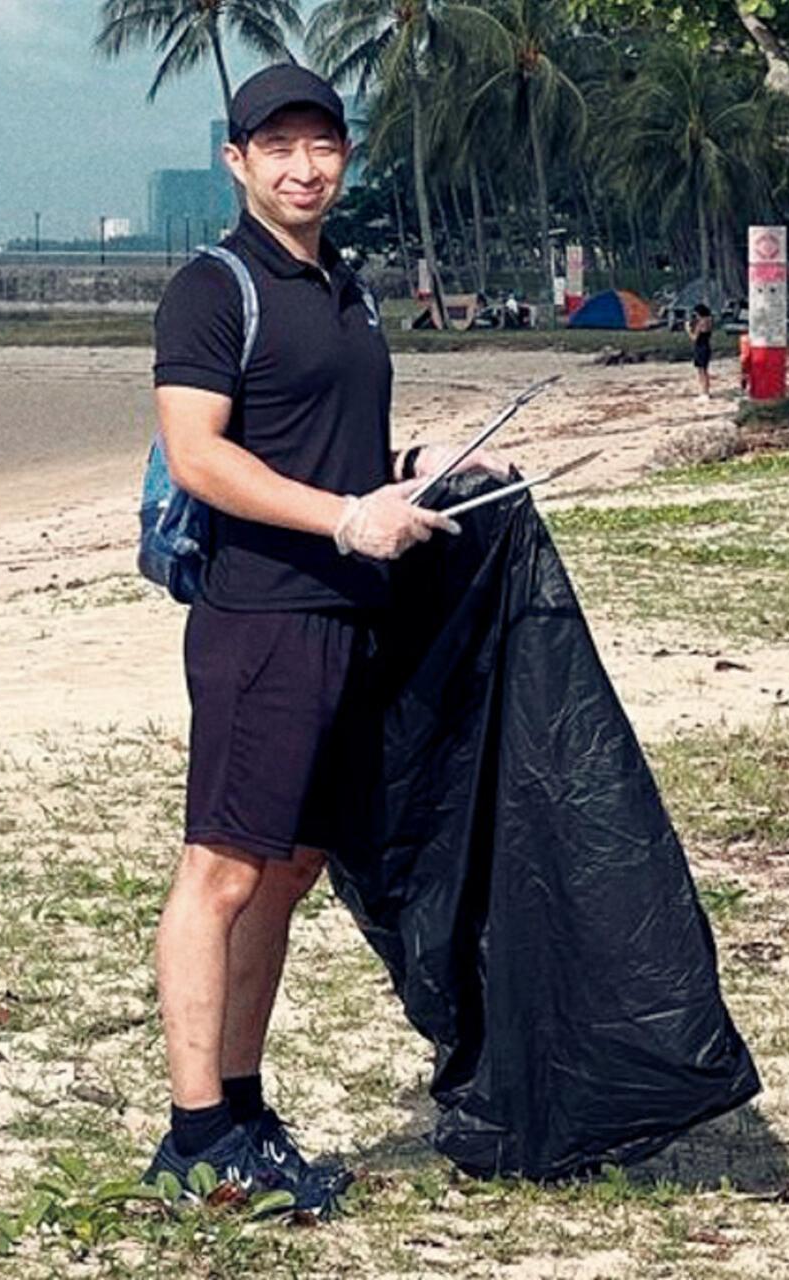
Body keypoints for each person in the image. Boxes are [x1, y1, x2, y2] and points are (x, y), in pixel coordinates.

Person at [144, 65, 504, 1211]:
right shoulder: (212, 290)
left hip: (350, 618)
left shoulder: (344, 286)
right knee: (223, 867)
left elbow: (331, 439)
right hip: (260, 614)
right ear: (237, 161)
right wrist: (345, 518)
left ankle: (242, 1106)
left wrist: (407, 474)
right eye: (278, 147)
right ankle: (193, 1130)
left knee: (289, 870)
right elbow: (202, 455)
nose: (305, 167)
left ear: (344, 158)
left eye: (324, 146)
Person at [689, 303, 715, 399]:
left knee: (701, 371)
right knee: (705, 370)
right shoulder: (709, 321)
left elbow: (694, 337)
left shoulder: (700, 323)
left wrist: (688, 329)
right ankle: (706, 391)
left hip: (700, 347)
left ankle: (704, 392)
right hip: (707, 346)